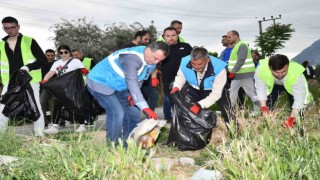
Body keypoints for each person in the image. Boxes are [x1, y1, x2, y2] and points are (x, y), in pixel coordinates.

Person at [86, 41, 170, 144]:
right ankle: (114, 145)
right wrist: (145, 107)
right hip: (100, 83)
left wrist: (132, 95)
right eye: (155, 58)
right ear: (148, 49)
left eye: (160, 60)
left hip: (120, 86)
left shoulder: (151, 61)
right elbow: (132, 83)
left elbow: (140, 79)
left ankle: (129, 142)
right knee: (116, 112)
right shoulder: (131, 58)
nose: (156, 62)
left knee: (133, 113)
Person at [0, 16, 46, 137]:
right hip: (10, 82)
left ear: (18, 27)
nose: (10, 30)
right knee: (2, 107)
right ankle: (1, 136)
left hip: (29, 80)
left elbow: (43, 60)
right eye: (6, 28)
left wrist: (28, 67)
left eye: (12, 27)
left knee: (35, 106)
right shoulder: (1, 45)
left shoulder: (29, 41)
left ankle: (40, 135)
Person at [171, 47, 236, 127]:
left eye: (200, 64)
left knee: (227, 111)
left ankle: (235, 132)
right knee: (189, 112)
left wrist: (200, 105)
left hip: (216, 90)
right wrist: (177, 86)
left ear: (207, 60)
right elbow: (181, 77)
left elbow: (216, 94)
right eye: (193, 64)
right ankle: (194, 135)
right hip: (195, 89)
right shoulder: (184, 62)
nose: (196, 67)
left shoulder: (219, 68)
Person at [254, 54, 312, 128]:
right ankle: (266, 124)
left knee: (298, 112)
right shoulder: (261, 70)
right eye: (276, 72)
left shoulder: (296, 75)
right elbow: (260, 89)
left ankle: (297, 125)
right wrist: (264, 108)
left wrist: (291, 119)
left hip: (290, 84)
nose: (280, 75)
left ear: (288, 66)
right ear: (270, 68)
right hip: (273, 84)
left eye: (284, 71)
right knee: (267, 106)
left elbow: (300, 98)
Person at [42, 45, 89, 134]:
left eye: (65, 52)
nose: (63, 54)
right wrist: (44, 80)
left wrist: (85, 72)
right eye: (61, 52)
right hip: (61, 88)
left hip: (73, 88)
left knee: (75, 105)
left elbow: (83, 70)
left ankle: (82, 125)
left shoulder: (75, 61)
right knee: (57, 105)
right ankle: (55, 127)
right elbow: (50, 73)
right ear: (59, 54)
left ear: (69, 52)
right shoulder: (56, 63)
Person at [158, 27, 192, 122]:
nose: (171, 38)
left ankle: (188, 121)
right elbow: (155, 64)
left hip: (186, 79)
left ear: (177, 36)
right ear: (164, 37)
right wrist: (153, 77)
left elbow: (195, 59)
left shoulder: (186, 46)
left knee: (186, 101)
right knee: (172, 100)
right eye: (168, 36)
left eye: (173, 35)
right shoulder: (161, 49)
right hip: (168, 80)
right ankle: (175, 121)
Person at [121, 30, 159, 111]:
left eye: (148, 39)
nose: (147, 41)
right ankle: (133, 119)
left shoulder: (147, 49)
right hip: (132, 80)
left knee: (154, 94)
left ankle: (150, 116)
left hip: (145, 79)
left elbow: (153, 62)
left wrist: (154, 76)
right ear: (138, 37)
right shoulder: (126, 48)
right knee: (132, 99)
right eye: (146, 39)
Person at [227, 30, 260, 113]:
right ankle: (229, 110)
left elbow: (241, 59)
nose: (228, 39)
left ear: (235, 36)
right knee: (232, 93)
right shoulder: (237, 46)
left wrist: (233, 71)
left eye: (229, 37)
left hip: (245, 74)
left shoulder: (242, 45)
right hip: (238, 75)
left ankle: (259, 110)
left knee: (251, 93)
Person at [219, 35, 245, 110]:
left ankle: (240, 108)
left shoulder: (237, 49)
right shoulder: (223, 52)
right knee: (228, 91)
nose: (222, 41)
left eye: (223, 40)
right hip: (227, 75)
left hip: (237, 73)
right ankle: (230, 107)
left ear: (228, 40)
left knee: (239, 90)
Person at [40, 49, 56, 128]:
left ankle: (60, 120)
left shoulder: (57, 63)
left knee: (60, 103)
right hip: (45, 87)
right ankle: (44, 121)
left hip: (57, 87)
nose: (50, 57)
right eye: (48, 55)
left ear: (55, 55)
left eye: (52, 55)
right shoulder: (40, 64)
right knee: (42, 102)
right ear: (45, 55)